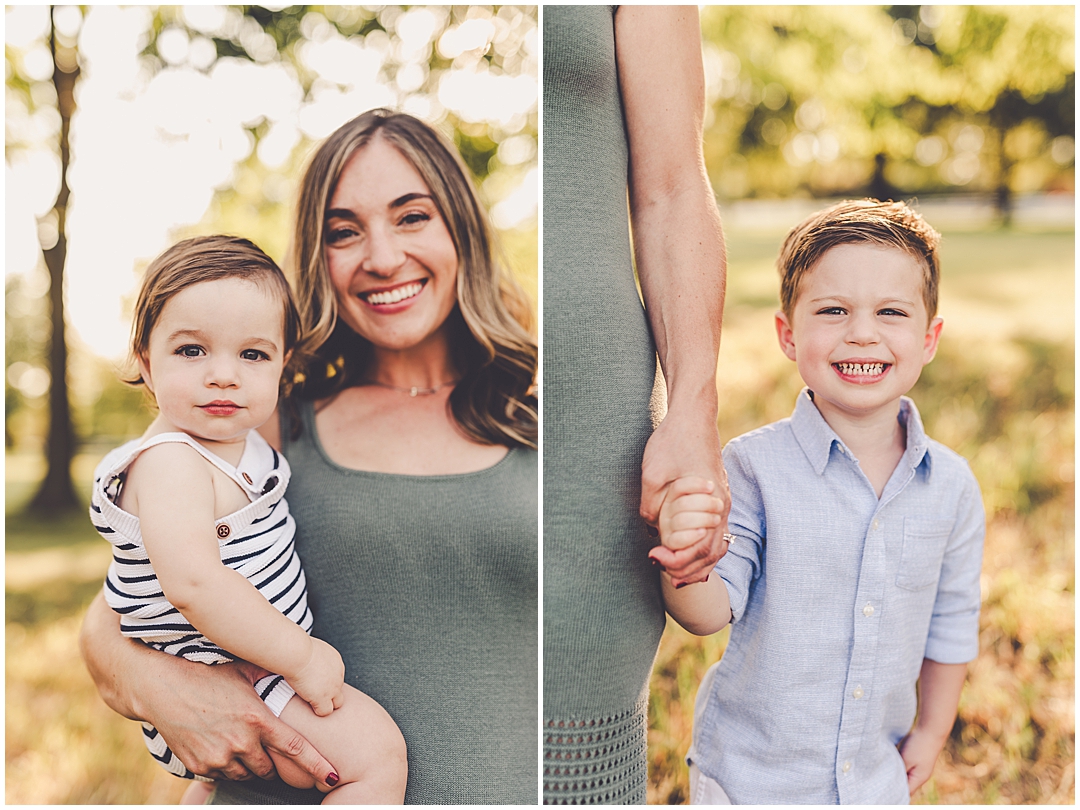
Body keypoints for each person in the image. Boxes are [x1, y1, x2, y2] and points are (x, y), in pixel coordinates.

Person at [80, 109, 538, 804]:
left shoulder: (540, 409)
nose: (382, 257)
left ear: (462, 228)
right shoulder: (264, 424)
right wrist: (165, 690)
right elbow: (123, 610)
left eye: (412, 216)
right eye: (344, 231)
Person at [656, 199, 985, 804]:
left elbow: (952, 623)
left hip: (872, 781)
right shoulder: (750, 469)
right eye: (832, 310)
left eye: (891, 312)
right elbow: (705, 614)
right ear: (787, 333)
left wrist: (932, 733)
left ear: (929, 338)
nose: (862, 332)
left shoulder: (953, 487)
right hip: (750, 779)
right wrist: (686, 552)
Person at [89, 235, 406, 804]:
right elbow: (194, 585)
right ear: (146, 362)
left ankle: (209, 793)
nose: (224, 375)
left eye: (252, 355)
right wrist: (302, 656)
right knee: (377, 756)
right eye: (191, 351)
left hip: (253, 665)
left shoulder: (242, 442)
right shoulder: (171, 463)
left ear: (283, 365)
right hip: (227, 672)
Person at [543, 6, 730, 804]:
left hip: (585, 431)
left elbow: (671, 186)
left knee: (569, 754)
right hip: (369, 410)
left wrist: (691, 406)